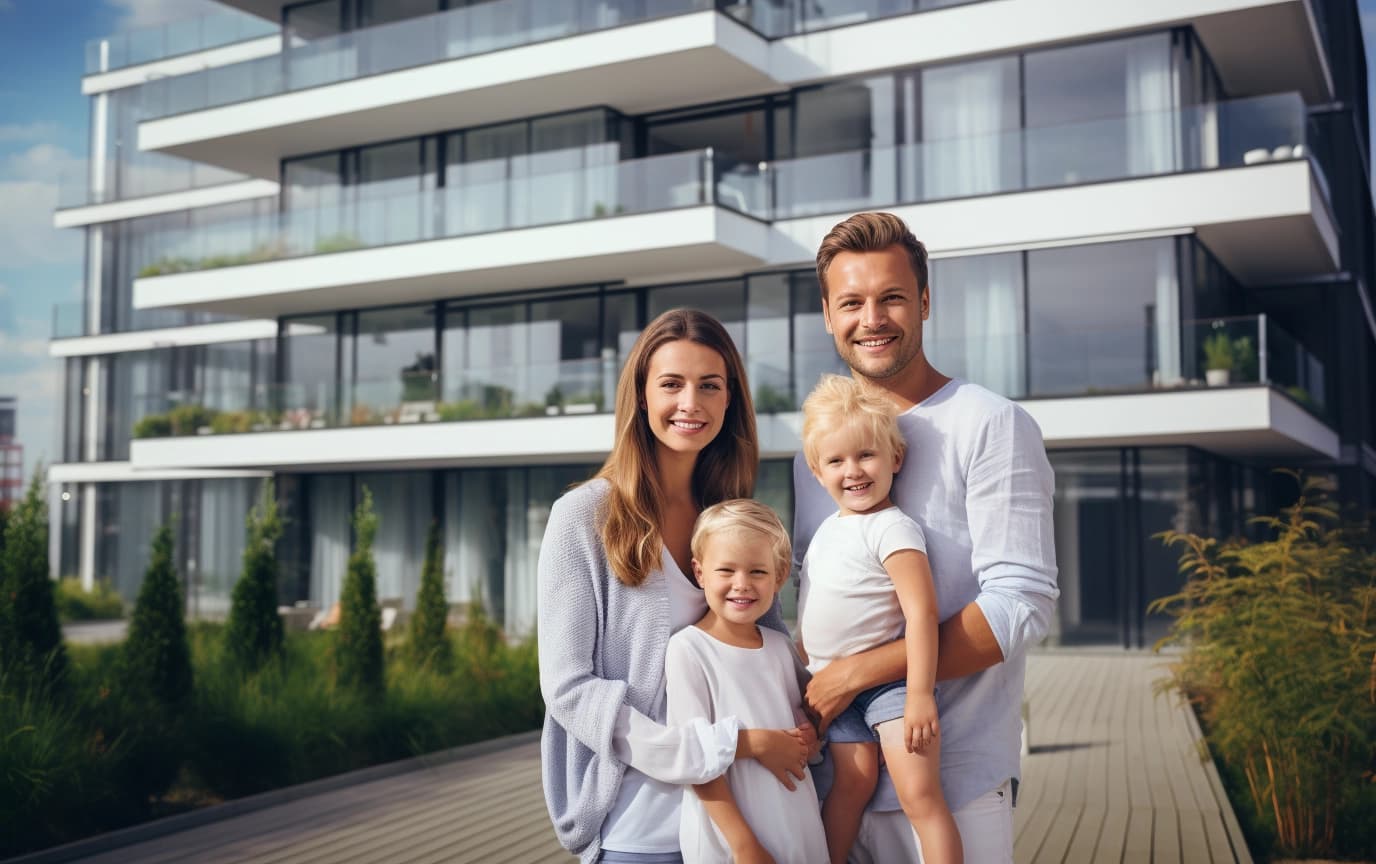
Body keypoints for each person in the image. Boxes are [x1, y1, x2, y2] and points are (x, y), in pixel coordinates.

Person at [794, 212, 1059, 863]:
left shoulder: (991, 424)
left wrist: (854, 673)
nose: (872, 319)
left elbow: (1020, 605)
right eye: (851, 302)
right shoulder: (818, 449)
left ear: (926, 303)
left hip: (953, 788)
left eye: (892, 298)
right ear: (828, 316)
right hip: (832, 787)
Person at [539, 308, 814, 864]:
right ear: (641, 396)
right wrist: (720, 747)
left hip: (749, 822)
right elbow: (568, 687)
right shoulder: (583, 517)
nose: (691, 403)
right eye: (671, 384)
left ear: (729, 399)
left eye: (709, 386)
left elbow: (770, 651)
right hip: (641, 827)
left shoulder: (730, 517)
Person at [796, 375, 961, 864]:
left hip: (890, 688)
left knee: (920, 797)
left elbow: (922, 613)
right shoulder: (827, 530)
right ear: (816, 469)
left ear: (895, 458)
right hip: (833, 690)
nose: (853, 471)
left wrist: (917, 695)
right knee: (851, 784)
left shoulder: (892, 528)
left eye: (866, 455)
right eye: (836, 461)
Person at [665, 499, 828, 864]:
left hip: (797, 825)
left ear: (779, 575)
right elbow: (694, 757)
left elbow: (804, 723)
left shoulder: (779, 647)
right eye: (726, 570)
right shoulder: (688, 650)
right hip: (733, 843)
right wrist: (744, 846)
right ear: (700, 572)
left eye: (757, 572)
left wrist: (808, 736)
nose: (742, 585)